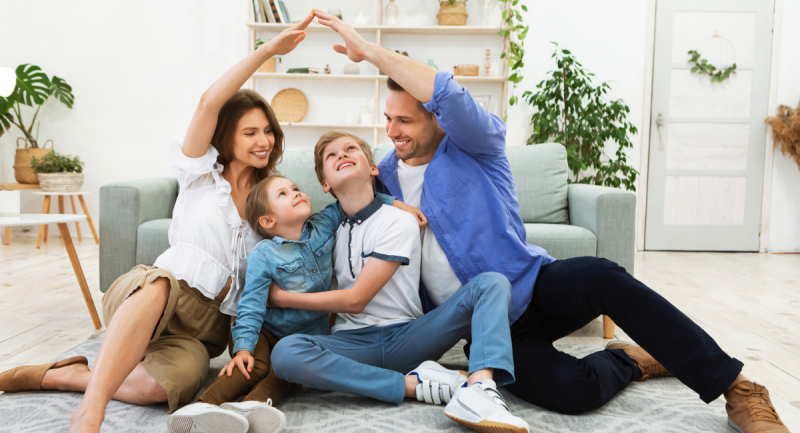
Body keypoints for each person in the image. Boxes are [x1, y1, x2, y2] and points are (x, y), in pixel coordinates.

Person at [309, 9, 791, 433]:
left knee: (602, 274)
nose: (392, 132)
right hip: (487, 326)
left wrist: (369, 51)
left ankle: (738, 388)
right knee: (571, 392)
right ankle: (627, 359)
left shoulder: (477, 145)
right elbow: (345, 210)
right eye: (387, 119)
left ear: (437, 119)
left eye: (405, 121)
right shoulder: (383, 174)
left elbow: (449, 94)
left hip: (534, 284)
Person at [0, 11, 317, 433]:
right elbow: (209, 102)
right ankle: (89, 411)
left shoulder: (273, 195)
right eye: (250, 132)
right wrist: (267, 52)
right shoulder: (200, 173)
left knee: (159, 390)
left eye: (268, 132)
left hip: (207, 327)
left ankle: (64, 374)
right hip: (158, 292)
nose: (264, 141)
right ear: (226, 137)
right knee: (160, 283)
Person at [267, 131, 530, 433]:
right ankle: (413, 385)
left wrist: (281, 298)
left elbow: (356, 300)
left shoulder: (398, 220)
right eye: (331, 155)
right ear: (325, 184)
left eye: (351, 148)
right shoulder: (327, 230)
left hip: (407, 338)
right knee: (285, 353)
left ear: (373, 169)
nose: (342, 155)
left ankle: (479, 388)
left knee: (491, 283)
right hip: (352, 343)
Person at [166, 175, 423, 433]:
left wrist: (399, 205)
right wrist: (243, 347)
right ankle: (201, 407)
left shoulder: (323, 226)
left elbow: (356, 201)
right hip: (264, 332)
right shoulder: (264, 255)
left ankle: (254, 407)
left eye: (296, 188)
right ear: (268, 221)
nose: (296, 193)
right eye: (283, 194)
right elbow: (252, 305)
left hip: (305, 338)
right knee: (255, 367)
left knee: (283, 372)